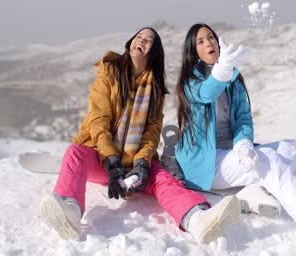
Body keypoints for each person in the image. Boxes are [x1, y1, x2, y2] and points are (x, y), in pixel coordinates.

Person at [39, 27, 240, 244]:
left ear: (153, 52)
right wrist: (111, 161)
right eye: (139, 37)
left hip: (134, 164)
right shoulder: (108, 74)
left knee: (163, 179)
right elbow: (98, 120)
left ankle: (196, 218)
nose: (141, 42)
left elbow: (152, 132)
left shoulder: (154, 88)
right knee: (75, 152)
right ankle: (70, 211)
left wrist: (142, 164)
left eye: (148, 41)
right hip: (104, 159)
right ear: (130, 42)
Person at [174, 23, 296, 239]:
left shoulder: (233, 79)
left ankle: (254, 190)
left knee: (290, 147)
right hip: (205, 163)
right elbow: (207, 92)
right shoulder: (191, 81)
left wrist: (243, 145)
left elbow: (243, 119)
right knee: (267, 158)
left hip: (230, 154)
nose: (209, 43)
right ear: (193, 51)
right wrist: (224, 66)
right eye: (201, 41)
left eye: (211, 37)